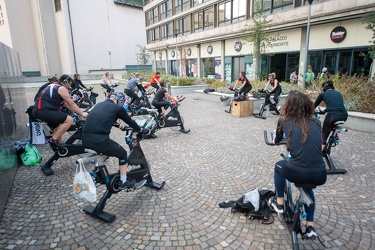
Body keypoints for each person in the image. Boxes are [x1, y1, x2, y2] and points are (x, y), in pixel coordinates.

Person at [270, 90, 327, 239]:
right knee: (308, 188)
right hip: (320, 173)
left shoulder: (284, 121)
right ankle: (310, 226)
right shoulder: (316, 122)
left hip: (296, 170)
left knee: (278, 167)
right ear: (307, 106)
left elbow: (276, 140)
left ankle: (280, 203)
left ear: (289, 105)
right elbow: (318, 144)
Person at [82, 92, 149, 190]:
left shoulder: (99, 105)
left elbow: (103, 117)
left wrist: (118, 125)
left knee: (108, 151)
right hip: (99, 140)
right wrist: (142, 130)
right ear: (119, 101)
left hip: (85, 139)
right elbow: (130, 121)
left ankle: (97, 169)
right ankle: (123, 181)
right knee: (122, 154)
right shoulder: (118, 108)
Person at [32, 75, 88, 143]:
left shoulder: (53, 85)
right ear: (65, 82)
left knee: (58, 128)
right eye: (69, 84)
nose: (70, 86)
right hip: (44, 111)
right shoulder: (61, 88)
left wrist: (77, 112)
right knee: (69, 120)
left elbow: (66, 104)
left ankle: (59, 147)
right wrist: (82, 113)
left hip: (38, 110)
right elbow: (71, 104)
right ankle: (53, 140)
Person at [314, 81, 348, 150]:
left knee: (324, 133)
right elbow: (335, 105)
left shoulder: (322, 95)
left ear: (323, 88)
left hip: (333, 116)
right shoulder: (338, 93)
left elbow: (313, 106)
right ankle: (335, 136)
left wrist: (308, 111)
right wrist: (324, 111)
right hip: (344, 115)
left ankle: (320, 152)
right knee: (330, 125)